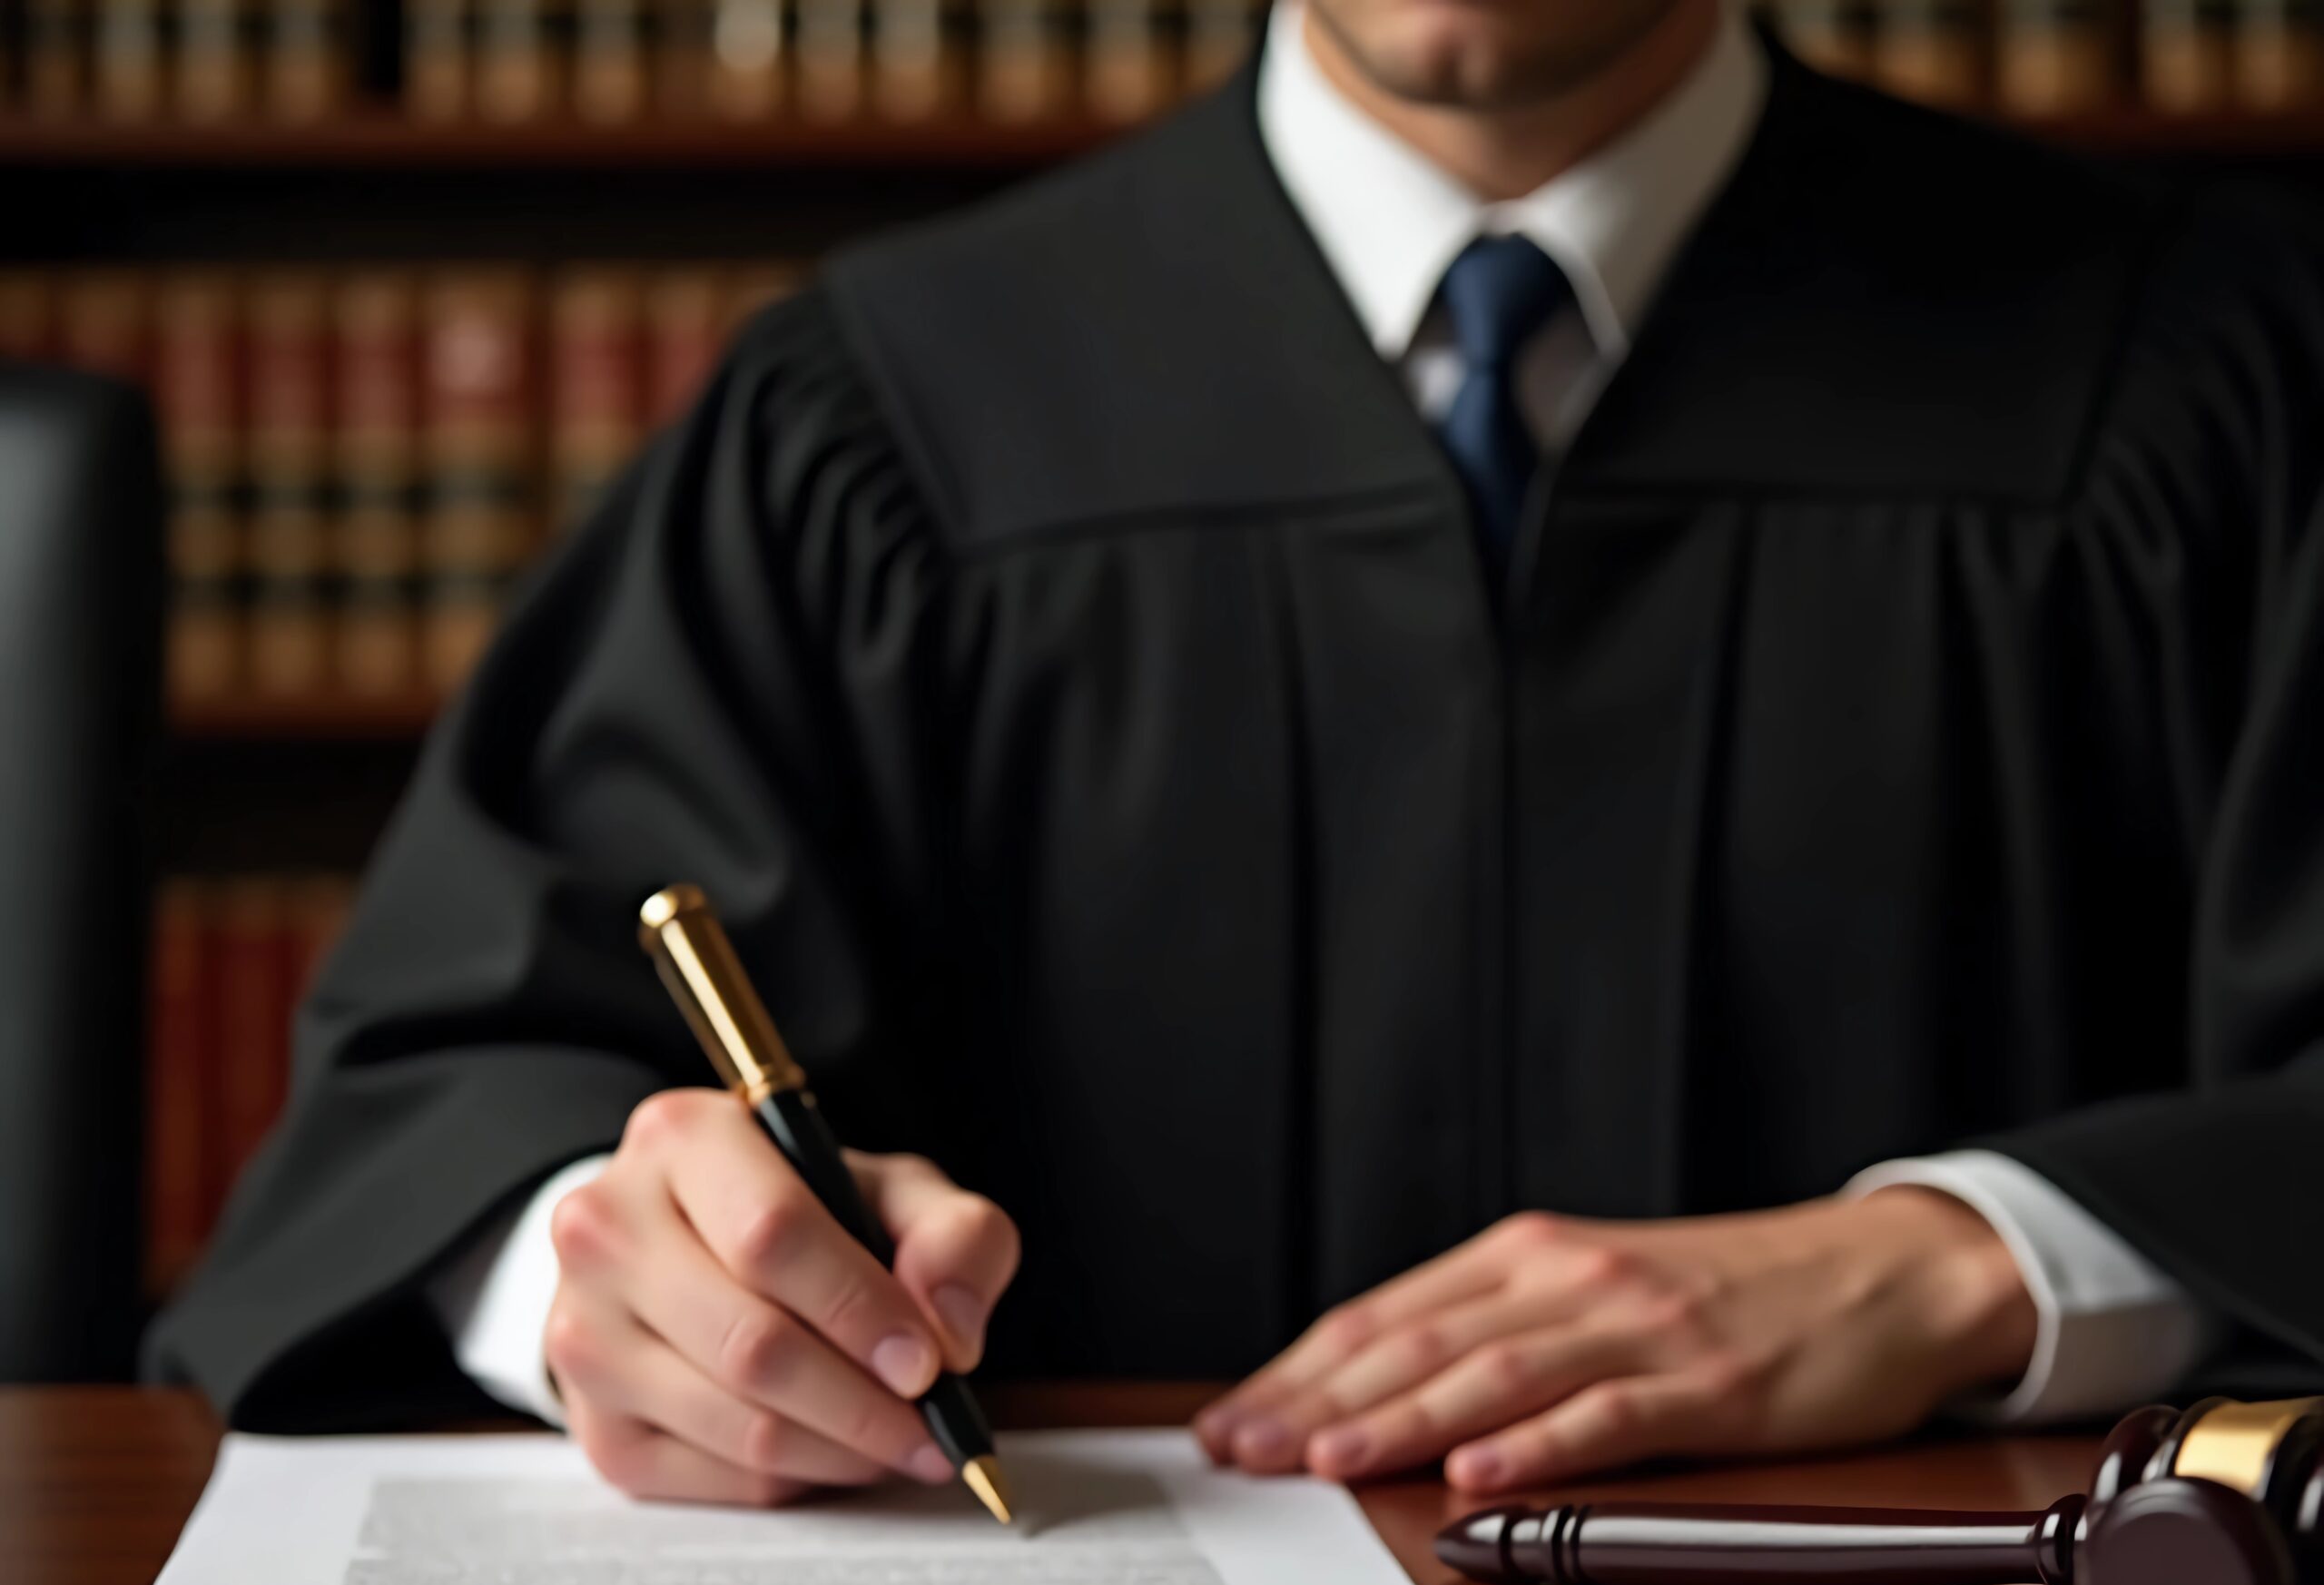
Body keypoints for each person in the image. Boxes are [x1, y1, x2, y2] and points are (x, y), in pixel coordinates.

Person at [153, 0, 2324, 1505]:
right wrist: (609, 1275)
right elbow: (447, 1082)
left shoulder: (2205, 378)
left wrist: (1982, 1259)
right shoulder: (886, 414)